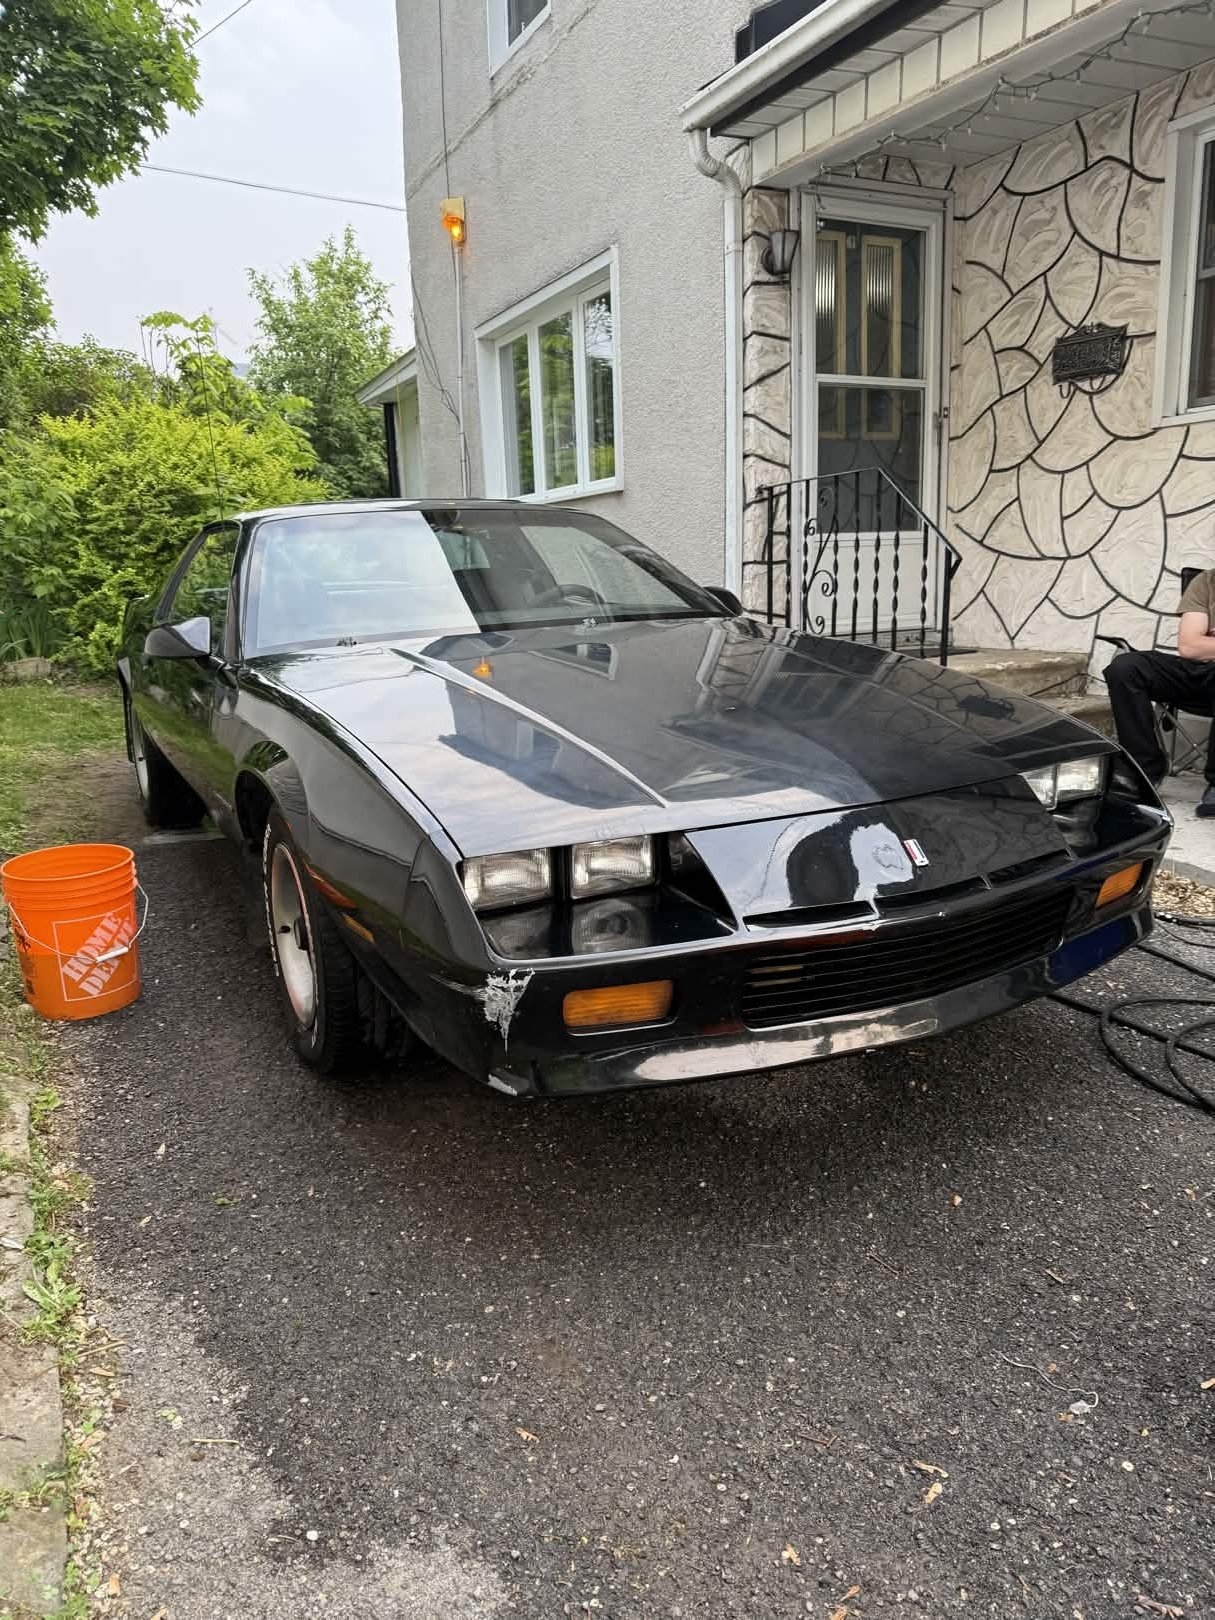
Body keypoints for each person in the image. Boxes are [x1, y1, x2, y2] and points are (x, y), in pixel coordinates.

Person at [1105, 568, 1215, 815]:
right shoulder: (1207, 581)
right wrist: (1202, 646)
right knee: (1126, 668)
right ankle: (1144, 768)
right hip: (1196, 672)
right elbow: (1190, 646)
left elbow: (1201, 643)